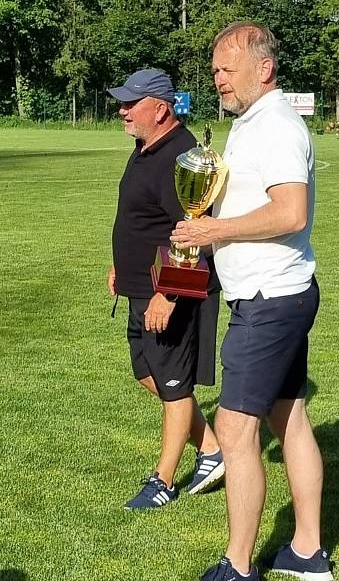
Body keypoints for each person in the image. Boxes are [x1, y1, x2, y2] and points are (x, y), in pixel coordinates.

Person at [170, 23, 332, 580]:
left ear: (263, 68)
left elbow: (291, 213)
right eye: (215, 70)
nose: (217, 80)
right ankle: (307, 552)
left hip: (270, 300)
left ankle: (237, 567)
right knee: (290, 420)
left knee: (237, 431)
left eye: (226, 69)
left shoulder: (277, 127)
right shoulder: (252, 122)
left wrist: (216, 231)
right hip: (277, 294)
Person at [107, 68, 225, 510]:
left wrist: (169, 293)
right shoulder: (146, 147)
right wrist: (120, 265)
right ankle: (212, 449)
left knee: (175, 387)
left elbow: (191, 229)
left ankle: (164, 480)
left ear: (160, 108)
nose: (122, 110)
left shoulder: (183, 157)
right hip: (140, 285)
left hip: (168, 292)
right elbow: (141, 216)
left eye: (129, 103)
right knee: (147, 375)